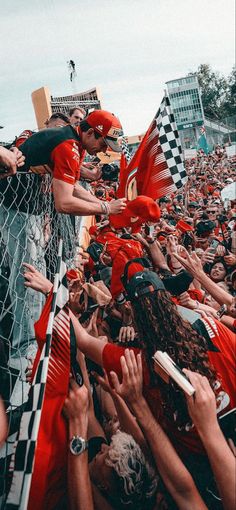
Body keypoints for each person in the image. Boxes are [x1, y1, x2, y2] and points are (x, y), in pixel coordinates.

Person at [19, 109, 126, 217]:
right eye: (103, 144)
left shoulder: (78, 143)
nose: (103, 150)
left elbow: (73, 186)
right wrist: (106, 208)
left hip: (26, 200)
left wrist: (104, 204)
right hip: (13, 202)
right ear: (89, 133)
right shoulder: (69, 145)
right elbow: (63, 203)